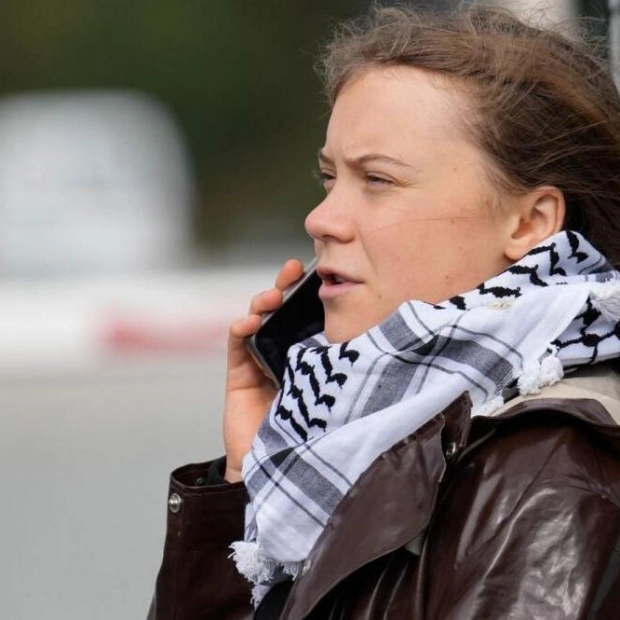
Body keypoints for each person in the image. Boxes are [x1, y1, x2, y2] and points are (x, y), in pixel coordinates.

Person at [147, 5, 620, 619]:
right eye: (328, 177)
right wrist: (243, 478)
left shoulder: (546, 475)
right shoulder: (346, 438)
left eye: (378, 180)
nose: (321, 220)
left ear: (530, 224)